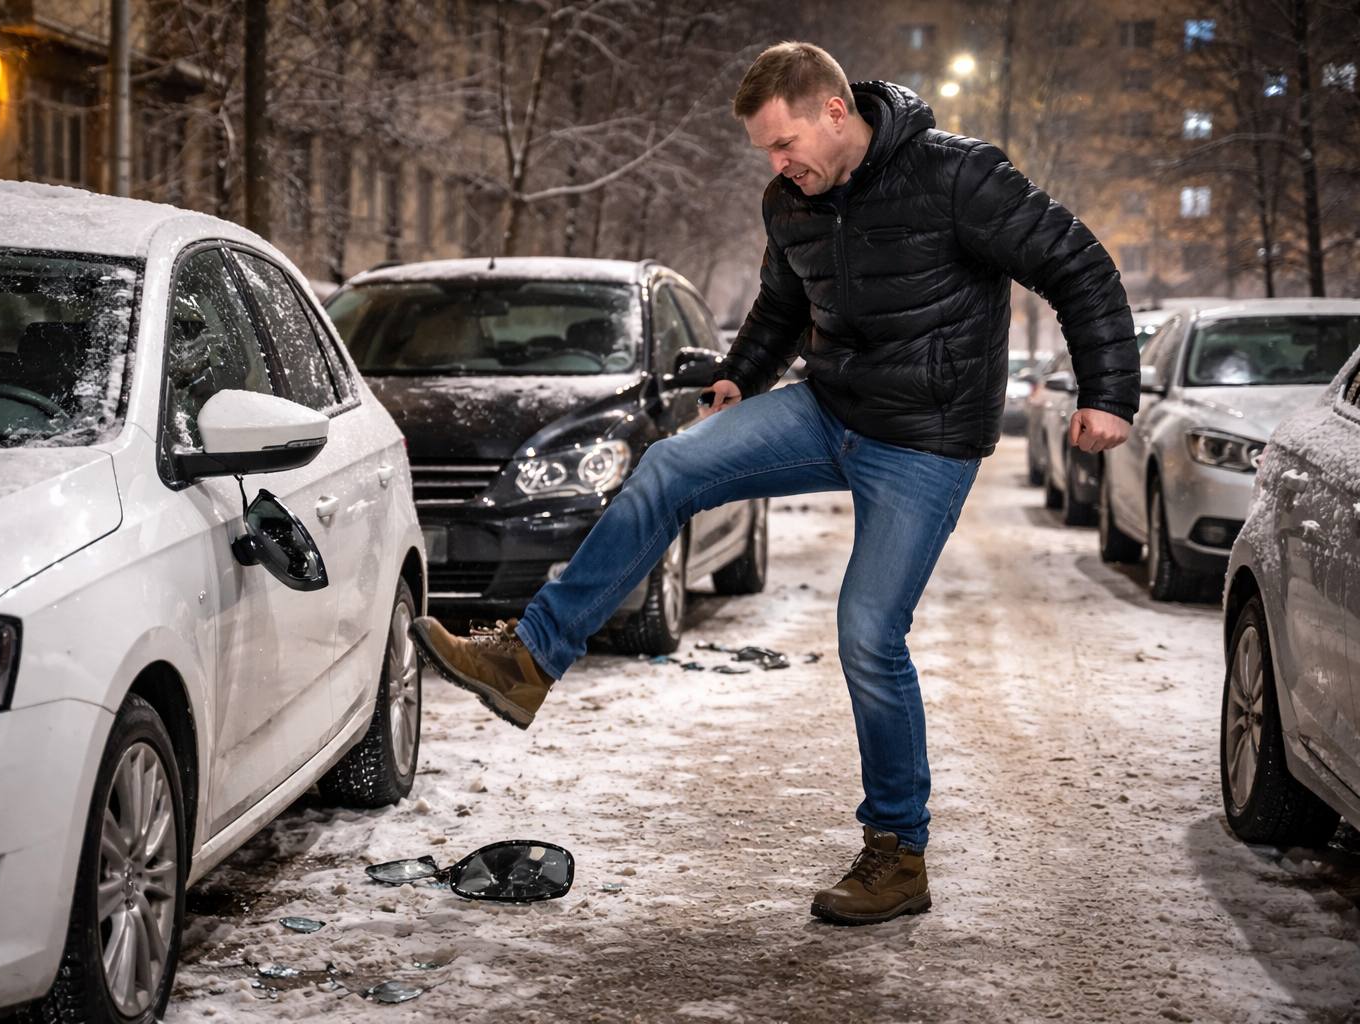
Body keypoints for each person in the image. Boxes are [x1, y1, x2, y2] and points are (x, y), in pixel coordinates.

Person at [411, 42, 1140, 926]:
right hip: (828, 408)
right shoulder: (791, 199)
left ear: (836, 110)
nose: (777, 163)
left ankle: (896, 854)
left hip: (924, 439)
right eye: (765, 151)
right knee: (672, 463)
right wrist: (742, 374)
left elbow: (1079, 265)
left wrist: (1107, 392)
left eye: (784, 142)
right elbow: (785, 304)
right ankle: (531, 657)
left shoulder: (957, 177)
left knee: (869, 632)